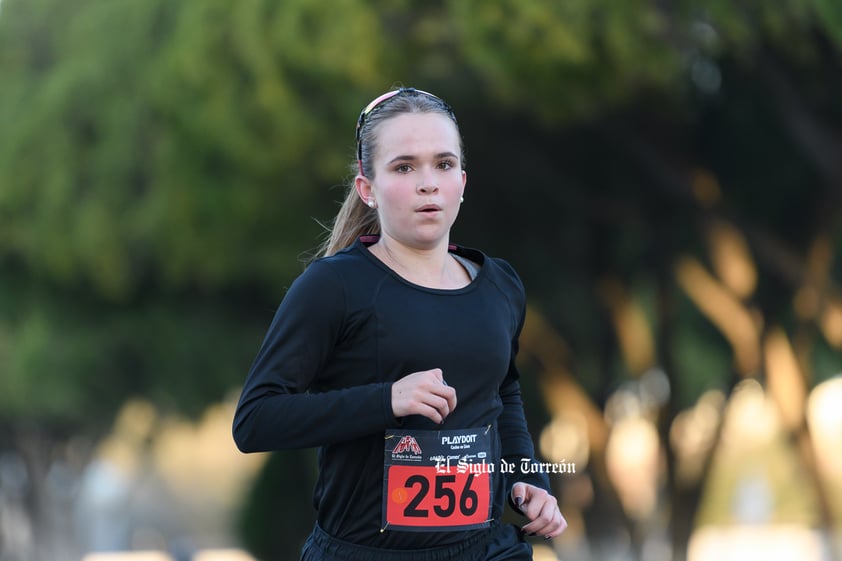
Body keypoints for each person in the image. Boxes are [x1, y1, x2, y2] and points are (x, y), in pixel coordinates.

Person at [232, 87, 567, 560]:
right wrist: (387, 399)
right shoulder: (334, 287)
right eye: (404, 167)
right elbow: (255, 421)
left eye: (444, 164)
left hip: (487, 549)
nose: (428, 183)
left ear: (463, 181)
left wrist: (527, 477)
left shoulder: (500, 285)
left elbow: (504, 394)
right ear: (367, 189)